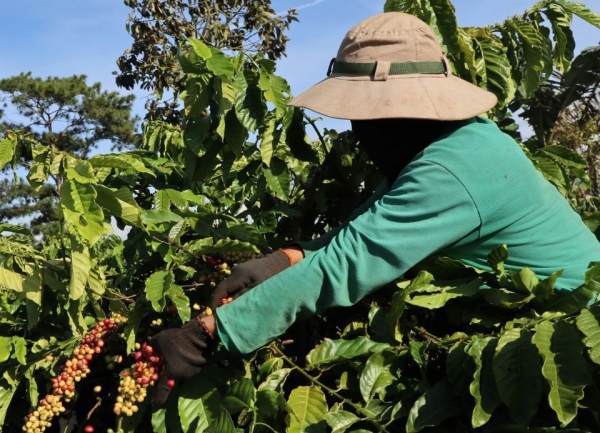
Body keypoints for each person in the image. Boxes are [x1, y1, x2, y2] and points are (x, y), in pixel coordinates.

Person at [150, 12, 600, 405]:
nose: (360, 129)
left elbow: (349, 262)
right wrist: (285, 259)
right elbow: (361, 228)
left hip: (577, 337)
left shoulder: (452, 169)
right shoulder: (445, 142)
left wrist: (208, 334)